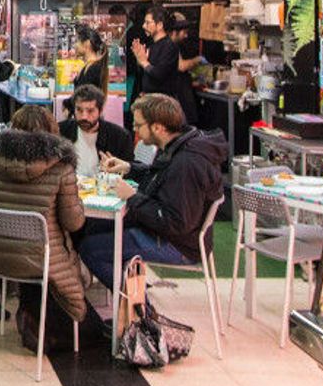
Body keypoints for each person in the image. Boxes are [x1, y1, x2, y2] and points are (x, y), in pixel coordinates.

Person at [78, 94, 226, 290]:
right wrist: (129, 167)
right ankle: (132, 292)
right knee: (92, 228)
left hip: (178, 245)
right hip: (174, 236)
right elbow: (160, 177)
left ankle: (139, 307)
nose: (135, 129)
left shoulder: (186, 164)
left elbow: (175, 221)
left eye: (139, 125)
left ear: (157, 127)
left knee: (90, 248)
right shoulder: (180, 146)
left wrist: (132, 197)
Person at [0, 114, 87, 350]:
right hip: (42, 262)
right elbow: (74, 223)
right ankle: (40, 322)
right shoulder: (61, 169)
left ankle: (29, 314)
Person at [131, 8, 197, 128]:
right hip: (150, 102)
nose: (143, 26)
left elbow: (159, 74)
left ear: (160, 25)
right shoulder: (153, 45)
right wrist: (139, 60)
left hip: (162, 106)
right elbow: (146, 72)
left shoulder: (169, 46)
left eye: (147, 22)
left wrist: (144, 62)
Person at [58, 84, 135, 176]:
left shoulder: (120, 136)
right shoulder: (61, 131)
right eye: (79, 110)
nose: (84, 116)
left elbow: (130, 171)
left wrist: (115, 170)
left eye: (90, 111)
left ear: (100, 111)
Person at [71, 25, 109, 95]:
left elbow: (86, 99)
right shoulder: (89, 66)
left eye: (77, 41)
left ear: (87, 44)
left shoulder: (93, 68)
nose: (74, 45)